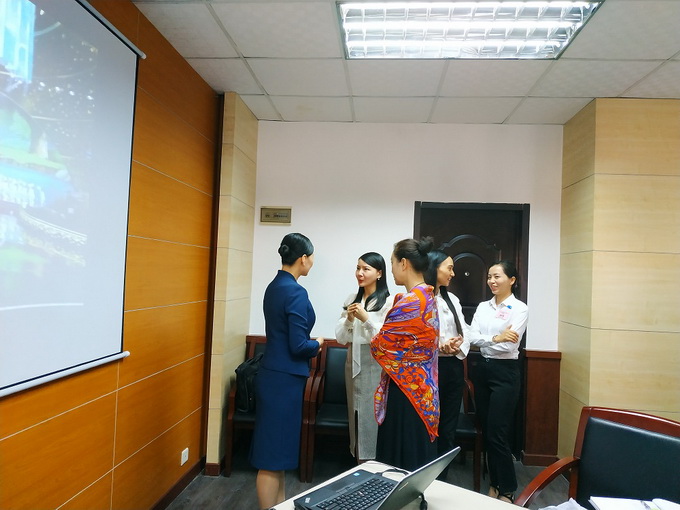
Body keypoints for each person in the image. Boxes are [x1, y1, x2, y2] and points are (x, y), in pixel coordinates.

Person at [250, 233, 324, 509]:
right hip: (283, 381)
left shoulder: (275, 286)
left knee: (277, 455)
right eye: (312, 257)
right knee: (272, 457)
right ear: (303, 258)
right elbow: (298, 345)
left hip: (275, 376)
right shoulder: (294, 291)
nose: (312, 262)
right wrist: (317, 344)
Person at [370, 237, 440, 471]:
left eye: (392, 262)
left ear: (404, 263)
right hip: (424, 389)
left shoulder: (410, 302)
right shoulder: (428, 296)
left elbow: (380, 345)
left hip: (406, 390)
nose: (391, 269)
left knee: (400, 462)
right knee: (417, 458)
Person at [468, 260, 528, 503]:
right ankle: (495, 482)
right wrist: (496, 337)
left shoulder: (519, 308)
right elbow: (471, 337)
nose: (492, 281)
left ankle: (508, 488)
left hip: (505, 373)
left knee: (498, 432)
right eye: (489, 276)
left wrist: (489, 340)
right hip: (483, 370)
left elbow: (509, 345)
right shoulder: (483, 307)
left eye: (497, 276)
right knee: (487, 430)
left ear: (511, 280)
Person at [335, 252, 391, 463]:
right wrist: (349, 319)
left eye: (366, 269)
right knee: (355, 413)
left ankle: (374, 462)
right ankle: (358, 460)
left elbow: (386, 339)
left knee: (373, 414)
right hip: (353, 360)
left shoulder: (388, 302)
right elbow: (341, 338)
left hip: (376, 363)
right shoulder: (352, 299)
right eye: (358, 268)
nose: (360, 273)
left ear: (379, 273)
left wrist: (366, 319)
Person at [425, 250, 470, 480]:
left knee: (448, 426)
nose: (452, 273)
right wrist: (439, 346)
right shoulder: (419, 299)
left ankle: (442, 480)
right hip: (426, 370)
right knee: (426, 426)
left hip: (452, 368)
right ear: (434, 268)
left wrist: (456, 345)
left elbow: (465, 331)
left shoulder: (453, 299)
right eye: (449, 268)